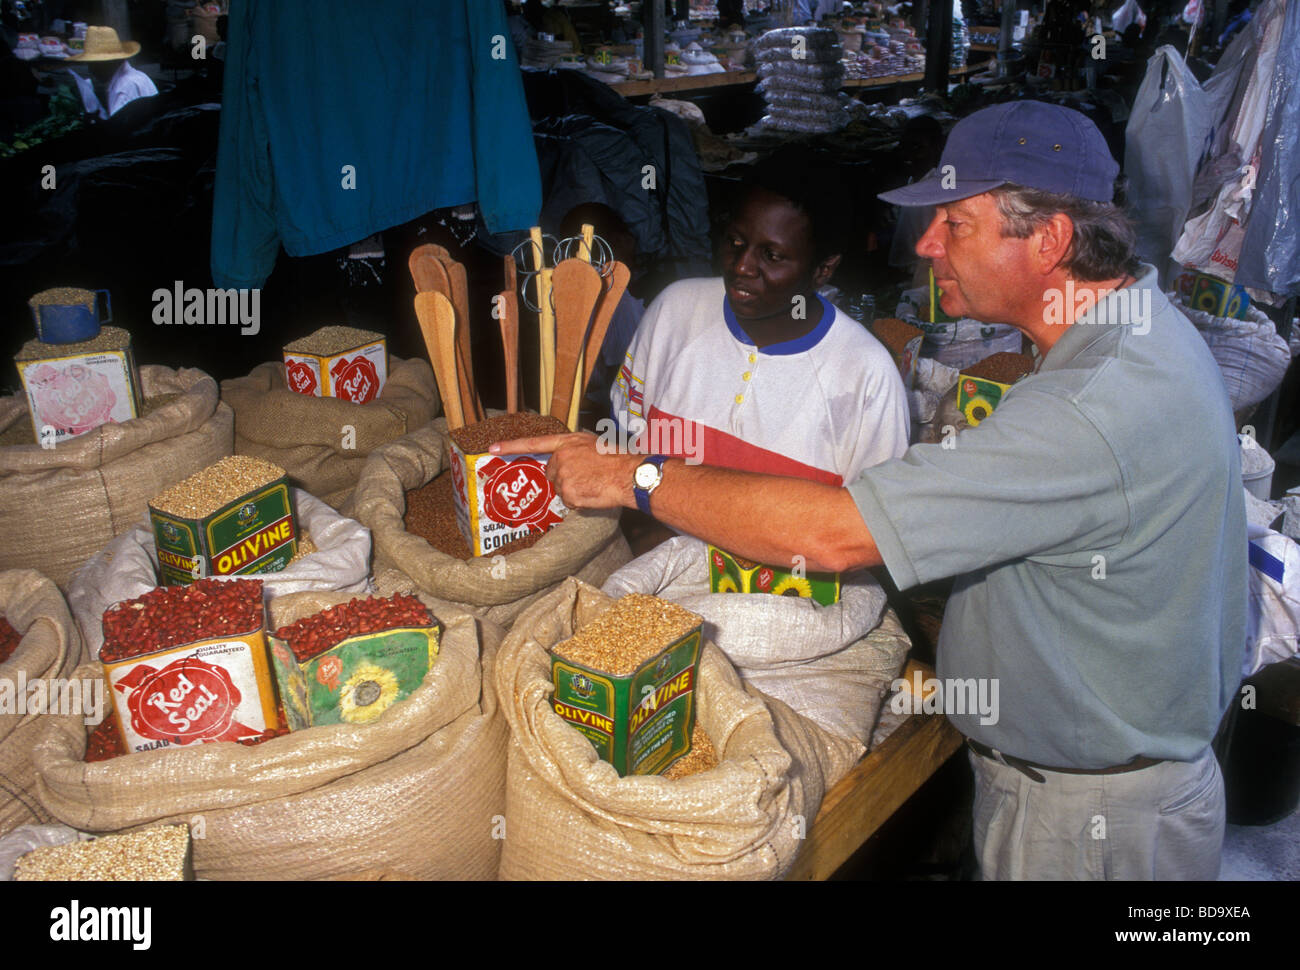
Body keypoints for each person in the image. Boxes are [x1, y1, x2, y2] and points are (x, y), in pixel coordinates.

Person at [493, 101, 1247, 881]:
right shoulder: (1136, 332)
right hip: (1099, 786)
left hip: (1089, 821)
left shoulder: (1092, 406)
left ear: (1050, 240)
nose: (924, 246)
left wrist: (630, 474)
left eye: (954, 224)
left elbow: (836, 533)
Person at [610, 152, 909, 490]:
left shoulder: (865, 375)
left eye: (772, 256)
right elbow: (624, 448)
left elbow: (870, 523)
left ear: (822, 270)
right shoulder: (675, 312)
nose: (741, 267)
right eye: (736, 242)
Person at [64, 25, 156, 120]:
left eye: (94, 65)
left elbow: (119, 131)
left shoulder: (123, 88)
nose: (91, 71)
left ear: (109, 62)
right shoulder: (137, 76)